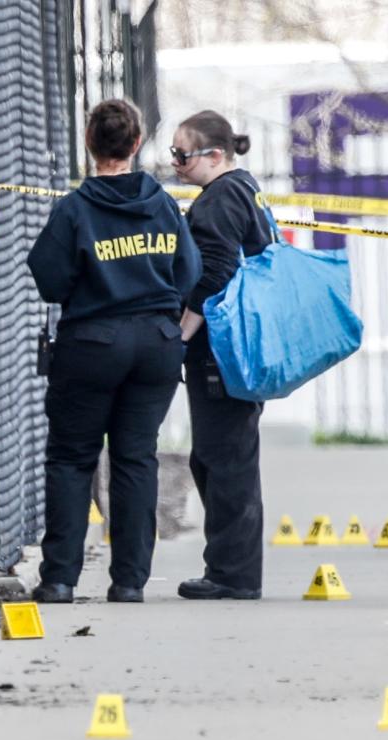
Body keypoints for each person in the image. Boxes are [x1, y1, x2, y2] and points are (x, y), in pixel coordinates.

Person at [27, 98, 201, 604]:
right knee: (134, 458)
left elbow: (50, 279)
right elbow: (187, 274)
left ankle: (59, 578)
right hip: (156, 345)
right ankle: (129, 581)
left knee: (72, 458)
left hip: (91, 344)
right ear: (137, 143)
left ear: (89, 141)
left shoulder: (75, 210)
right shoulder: (164, 205)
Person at [171, 110, 272, 600]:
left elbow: (215, 273)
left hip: (221, 351)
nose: (175, 163)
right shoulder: (244, 188)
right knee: (220, 456)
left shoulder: (219, 199)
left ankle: (231, 575)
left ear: (214, 155)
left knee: (223, 458)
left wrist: (182, 334)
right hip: (241, 348)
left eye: (182, 154)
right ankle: (231, 569)